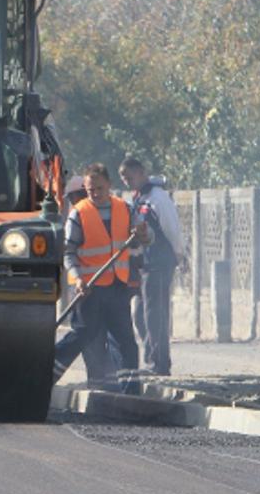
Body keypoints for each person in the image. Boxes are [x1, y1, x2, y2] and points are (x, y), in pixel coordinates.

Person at [53, 163, 151, 395]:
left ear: (109, 185)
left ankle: (130, 391)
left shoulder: (124, 209)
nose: (95, 194)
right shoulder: (79, 213)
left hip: (117, 286)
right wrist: (77, 279)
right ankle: (45, 374)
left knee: (125, 340)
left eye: (99, 188)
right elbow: (68, 253)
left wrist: (144, 234)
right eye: (90, 190)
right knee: (82, 335)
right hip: (90, 289)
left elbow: (144, 238)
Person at [121, 157, 185, 376]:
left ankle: (158, 364)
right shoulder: (140, 198)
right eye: (124, 178)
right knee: (141, 313)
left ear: (141, 173)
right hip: (145, 264)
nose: (127, 182)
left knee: (154, 314)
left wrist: (179, 254)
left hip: (159, 262)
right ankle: (153, 358)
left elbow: (171, 228)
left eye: (130, 177)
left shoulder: (158, 197)